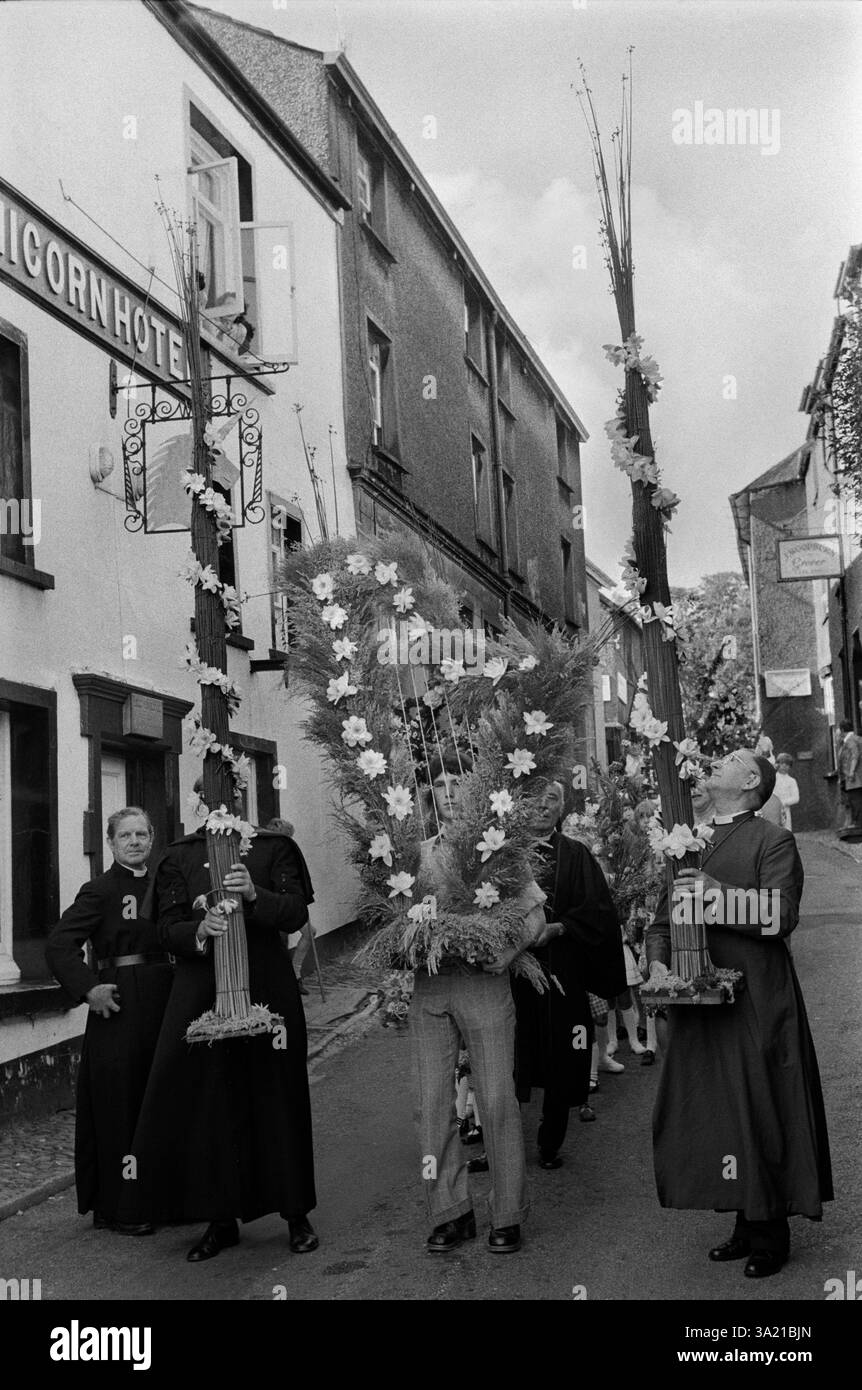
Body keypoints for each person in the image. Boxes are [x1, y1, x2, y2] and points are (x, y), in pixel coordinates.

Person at [646, 749, 833, 1279]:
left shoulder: (773, 840)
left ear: (751, 781)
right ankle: (742, 1223)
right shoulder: (688, 841)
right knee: (718, 1109)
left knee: (760, 1105)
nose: (714, 761)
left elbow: (780, 916)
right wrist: (660, 970)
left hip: (757, 1001)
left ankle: (771, 1230)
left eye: (729, 759)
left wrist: (717, 896)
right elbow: (662, 924)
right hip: (698, 1002)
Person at [118, 812, 319, 1262]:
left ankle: (295, 1213)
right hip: (202, 998)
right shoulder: (179, 855)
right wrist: (199, 931)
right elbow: (167, 929)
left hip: (268, 992)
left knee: (278, 1098)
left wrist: (253, 895)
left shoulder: (272, 848)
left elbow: (294, 914)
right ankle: (220, 1219)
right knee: (212, 1104)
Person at [411, 751, 544, 1255]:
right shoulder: (417, 855)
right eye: (438, 783)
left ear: (472, 792)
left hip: (484, 984)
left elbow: (534, 912)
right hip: (430, 987)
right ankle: (450, 1211)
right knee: (430, 1106)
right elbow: (394, 914)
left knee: (495, 1100)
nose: (446, 791)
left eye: (456, 783)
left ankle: (507, 1214)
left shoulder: (500, 851)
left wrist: (508, 952)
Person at [45, 808, 172, 1236]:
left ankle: (161, 1197)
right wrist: (88, 989)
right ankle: (118, 1206)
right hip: (119, 1006)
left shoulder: (167, 884)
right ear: (112, 843)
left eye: (141, 834)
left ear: (152, 839)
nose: (134, 842)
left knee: (159, 1098)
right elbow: (60, 945)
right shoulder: (98, 890)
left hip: (165, 1001)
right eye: (125, 836)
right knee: (120, 1101)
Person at [512, 780, 626, 1168]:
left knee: (562, 1053)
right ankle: (501, 1142)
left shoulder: (576, 855)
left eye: (553, 799)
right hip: (510, 973)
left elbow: (597, 910)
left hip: (562, 968)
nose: (543, 805)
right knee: (509, 1055)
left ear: (562, 809)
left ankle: (550, 1140)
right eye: (536, 796)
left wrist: (559, 929)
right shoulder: (500, 855)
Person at [266, 816, 313, 995]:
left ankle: (295, 973)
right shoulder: (267, 853)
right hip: (273, 906)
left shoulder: (285, 853)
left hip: (287, 904)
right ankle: (286, 981)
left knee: (310, 932)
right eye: (287, 838)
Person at [837, 719, 862, 828]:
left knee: (855, 800)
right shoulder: (857, 738)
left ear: (842, 730)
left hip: (854, 778)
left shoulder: (850, 740)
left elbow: (854, 755)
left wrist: (851, 772)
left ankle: (858, 824)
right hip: (857, 776)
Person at [774, 753, 801, 831]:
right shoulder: (773, 778)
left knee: (786, 831)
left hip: (785, 810)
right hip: (772, 809)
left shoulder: (791, 781)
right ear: (778, 764)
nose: (784, 766)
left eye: (787, 764)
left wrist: (784, 802)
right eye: (782, 763)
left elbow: (796, 798)